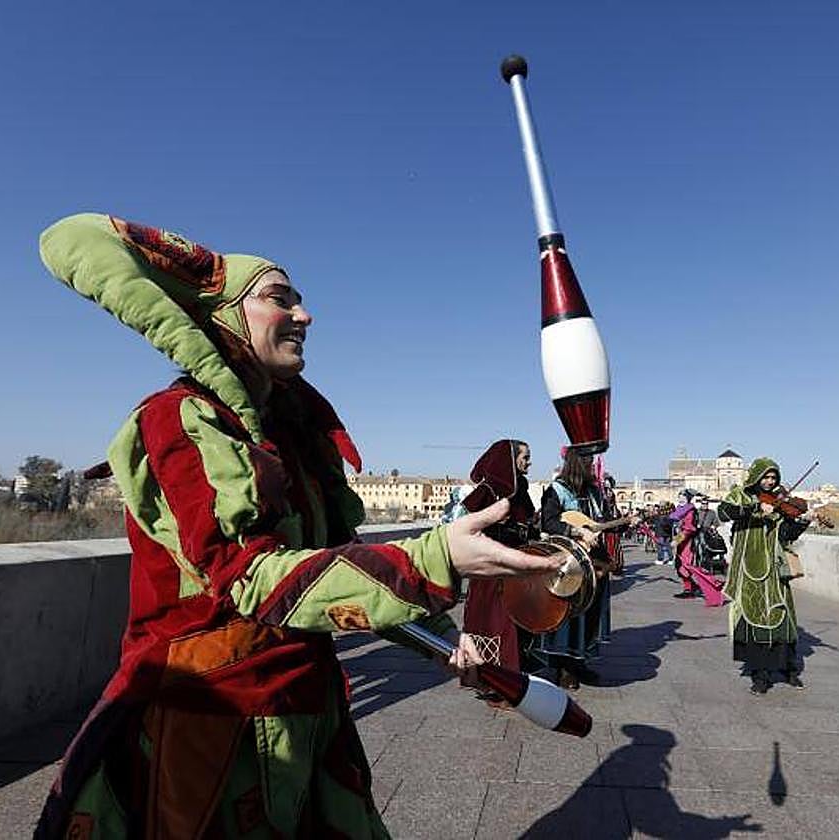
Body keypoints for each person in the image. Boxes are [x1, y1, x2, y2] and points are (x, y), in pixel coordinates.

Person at [33, 213, 561, 839]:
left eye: (301, 300)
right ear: (225, 317)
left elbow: (331, 562)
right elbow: (250, 579)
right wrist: (430, 561)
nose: (305, 315)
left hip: (309, 710)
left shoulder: (294, 437)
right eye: (279, 298)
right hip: (213, 725)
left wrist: (446, 636)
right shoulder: (179, 421)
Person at [719, 458, 815, 694]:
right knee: (755, 617)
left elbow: (786, 534)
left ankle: (787, 668)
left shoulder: (780, 503)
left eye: (774, 478)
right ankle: (760, 674)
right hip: (749, 567)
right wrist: (755, 508)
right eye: (766, 477)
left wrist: (803, 521)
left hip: (774, 568)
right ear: (756, 477)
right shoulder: (741, 495)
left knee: (783, 616)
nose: (770, 482)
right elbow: (724, 513)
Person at [529, 447, 611, 689]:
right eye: (588, 462)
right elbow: (549, 521)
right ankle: (563, 668)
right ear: (578, 463)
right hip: (568, 561)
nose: (592, 466)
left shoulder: (595, 491)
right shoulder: (557, 490)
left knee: (590, 613)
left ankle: (580, 662)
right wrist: (575, 531)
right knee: (568, 614)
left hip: (594, 561)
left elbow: (601, 522)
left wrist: (624, 523)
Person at [460, 440, 538, 683]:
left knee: (518, 623)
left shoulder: (520, 488)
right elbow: (468, 530)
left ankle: (515, 673)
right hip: (491, 571)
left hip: (516, 568)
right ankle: (496, 682)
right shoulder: (487, 491)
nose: (529, 462)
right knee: (496, 623)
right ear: (510, 460)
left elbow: (528, 524)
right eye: (524, 457)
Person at [670, 489, 724, 605]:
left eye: (683, 497)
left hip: (689, 543)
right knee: (681, 565)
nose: (680, 499)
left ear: (688, 499)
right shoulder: (682, 510)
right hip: (683, 543)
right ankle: (691, 587)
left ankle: (705, 586)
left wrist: (677, 540)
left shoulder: (690, 511)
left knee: (687, 566)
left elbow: (689, 529)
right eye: (679, 497)